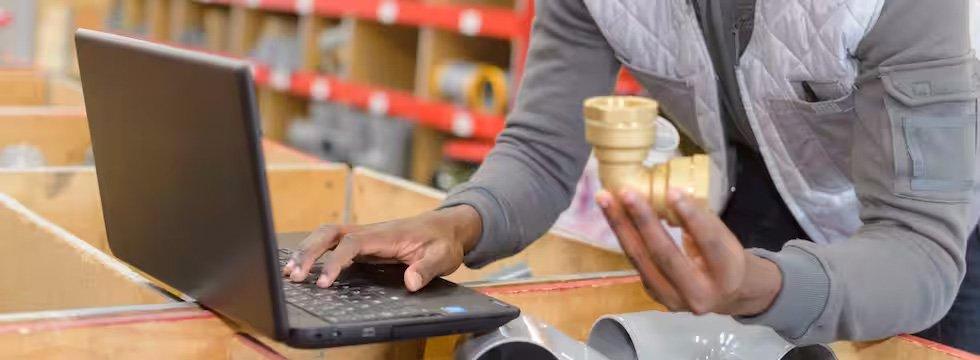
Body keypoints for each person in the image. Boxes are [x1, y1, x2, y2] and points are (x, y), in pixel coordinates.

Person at [281, 0, 980, 352]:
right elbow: (543, 150)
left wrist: (758, 285)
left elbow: (921, 246)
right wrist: (456, 223)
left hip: (949, 216)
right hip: (772, 190)